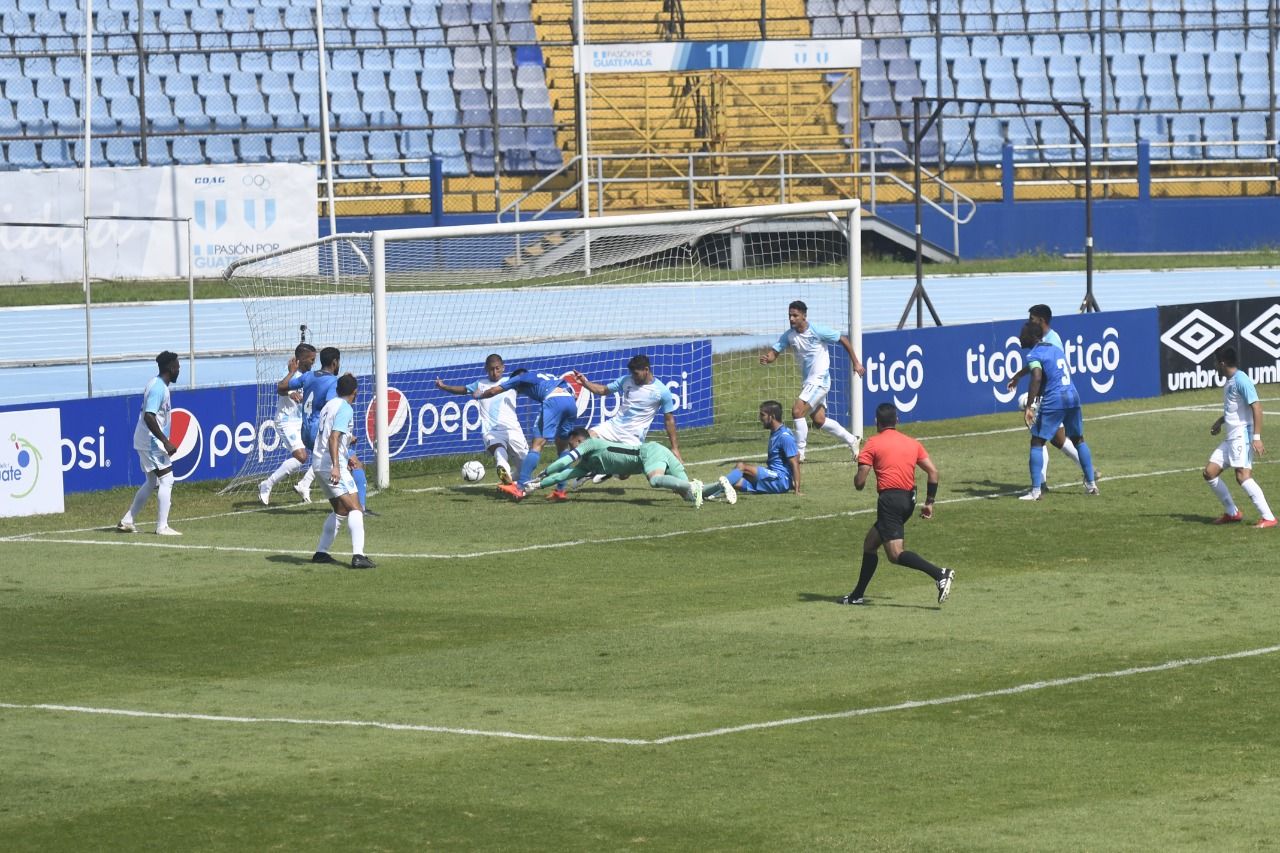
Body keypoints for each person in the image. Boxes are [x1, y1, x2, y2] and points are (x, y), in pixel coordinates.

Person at [839, 403, 954, 606]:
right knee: (870, 544)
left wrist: (859, 469)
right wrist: (929, 503)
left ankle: (940, 574)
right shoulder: (912, 443)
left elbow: (860, 483)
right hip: (909, 500)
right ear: (897, 421)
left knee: (895, 554)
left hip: (889, 501)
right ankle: (857, 595)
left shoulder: (872, 444)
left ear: (876, 422)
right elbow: (933, 472)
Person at [760, 300, 865, 463]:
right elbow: (775, 351)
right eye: (790, 316)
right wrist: (769, 358)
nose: (792, 319)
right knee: (819, 420)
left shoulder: (817, 331)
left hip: (820, 381)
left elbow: (842, 339)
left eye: (795, 315)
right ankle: (852, 440)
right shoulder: (789, 335)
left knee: (797, 411)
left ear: (804, 315)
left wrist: (856, 363)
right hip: (809, 382)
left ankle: (799, 453)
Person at [567, 353, 682, 499]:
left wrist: (675, 448)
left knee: (624, 475)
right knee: (585, 440)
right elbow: (603, 390)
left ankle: (607, 470)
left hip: (632, 437)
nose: (633, 377)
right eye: (632, 373)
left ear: (646, 370)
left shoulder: (662, 392)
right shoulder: (626, 380)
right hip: (613, 427)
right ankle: (587, 470)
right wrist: (584, 382)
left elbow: (669, 420)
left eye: (636, 373)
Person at [287, 346, 375, 515]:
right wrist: (345, 433)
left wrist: (292, 372)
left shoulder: (310, 376)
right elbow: (333, 407)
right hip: (320, 432)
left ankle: (307, 484)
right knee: (355, 463)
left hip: (306, 431)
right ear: (335, 362)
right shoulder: (333, 383)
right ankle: (360, 509)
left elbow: (283, 386)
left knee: (325, 460)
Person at [1005, 304, 1086, 485]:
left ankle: (1040, 484)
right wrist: (1018, 375)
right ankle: (1086, 472)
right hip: (1057, 394)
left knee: (1041, 439)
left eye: (1031, 319)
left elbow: (1043, 370)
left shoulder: (1051, 340)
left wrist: (1032, 402)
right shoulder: (1046, 339)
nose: (1028, 322)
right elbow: (1036, 364)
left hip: (1053, 395)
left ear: (1040, 320)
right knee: (1055, 439)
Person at [525, 428, 705, 508]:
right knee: (691, 497)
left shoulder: (590, 444)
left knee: (655, 481)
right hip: (655, 452)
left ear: (579, 440)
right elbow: (563, 474)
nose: (572, 448)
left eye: (572, 445)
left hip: (649, 453)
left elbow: (564, 462)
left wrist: (545, 470)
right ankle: (723, 484)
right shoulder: (587, 463)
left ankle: (690, 485)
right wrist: (537, 485)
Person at [1020, 321, 1099, 500]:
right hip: (1072, 395)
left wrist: (1029, 406)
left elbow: (1037, 377)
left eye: (1022, 333)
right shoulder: (1055, 349)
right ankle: (1091, 485)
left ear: (1032, 336)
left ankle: (1035, 491)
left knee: (1037, 442)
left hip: (1055, 398)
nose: (1019, 336)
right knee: (1079, 439)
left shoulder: (1034, 354)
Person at [477, 367, 581, 500]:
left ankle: (519, 487)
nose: (519, 391)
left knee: (537, 445)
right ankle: (560, 491)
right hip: (570, 402)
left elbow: (493, 390)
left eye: (517, 389)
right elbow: (574, 393)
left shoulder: (521, 377)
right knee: (562, 448)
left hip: (553, 400)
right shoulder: (545, 375)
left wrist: (479, 395)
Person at [1203, 346, 1275, 528]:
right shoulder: (1230, 381)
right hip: (1231, 438)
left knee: (1242, 476)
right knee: (1210, 472)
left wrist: (1256, 437)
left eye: (1215, 363)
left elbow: (1257, 408)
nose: (1214, 367)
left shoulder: (1241, 380)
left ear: (1222, 363)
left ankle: (1268, 518)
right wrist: (1221, 421)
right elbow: (1235, 409)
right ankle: (1232, 513)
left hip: (1242, 437)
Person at [310, 373, 376, 568]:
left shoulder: (329, 405)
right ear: (355, 393)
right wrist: (337, 466)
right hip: (330, 465)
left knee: (340, 509)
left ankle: (321, 553)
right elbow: (333, 437)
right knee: (356, 508)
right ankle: (358, 556)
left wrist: (345, 455)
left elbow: (331, 436)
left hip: (319, 463)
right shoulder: (345, 408)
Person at [435, 353, 529, 486]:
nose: (494, 372)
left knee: (525, 467)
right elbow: (462, 390)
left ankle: (510, 479)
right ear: (486, 369)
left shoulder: (511, 382)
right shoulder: (480, 384)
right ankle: (503, 471)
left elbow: (532, 386)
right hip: (491, 430)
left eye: (497, 368)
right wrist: (444, 386)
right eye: (491, 369)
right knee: (499, 452)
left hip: (513, 430)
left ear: (503, 367)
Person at [117, 350, 183, 536]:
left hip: (146, 440)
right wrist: (165, 441)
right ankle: (162, 527)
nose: (179, 370)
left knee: (152, 481)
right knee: (167, 479)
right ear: (171, 368)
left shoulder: (157, 384)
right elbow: (149, 416)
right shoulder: (158, 388)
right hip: (151, 442)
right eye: (177, 366)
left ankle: (127, 520)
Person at [701, 400, 800, 504]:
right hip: (774, 479)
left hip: (780, 479)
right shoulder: (775, 432)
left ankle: (709, 492)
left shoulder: (785, 436)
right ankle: (704, 492)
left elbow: (795, 462)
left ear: (772, 416)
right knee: (735, 482)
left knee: (741, 466)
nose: (760, 418)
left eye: (763, 415)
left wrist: (797, 489)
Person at [258, 342, 319, 505]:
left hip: (301, 420)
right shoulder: (290, 372)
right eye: (311, 360)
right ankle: (267, 484)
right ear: (301, 359)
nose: (313, 363)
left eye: (315, 360)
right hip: (286, 421)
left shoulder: (309, 376)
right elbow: (280, 388)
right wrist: (291, 391)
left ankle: (304, 484)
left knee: (324, 450)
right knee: (301, 456)